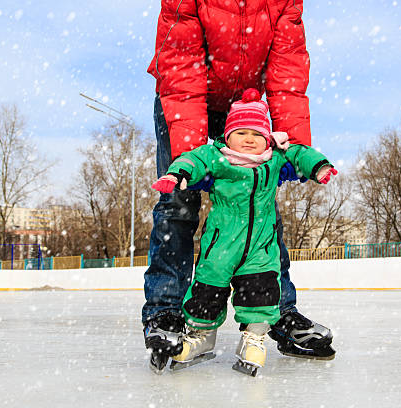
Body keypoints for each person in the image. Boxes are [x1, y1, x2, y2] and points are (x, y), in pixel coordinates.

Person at [142, 0, 336, 373]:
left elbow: (287, 73)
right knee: (176, 205)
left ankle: (278, 312)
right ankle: (165, 313)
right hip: (186, 99)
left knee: (258, 206)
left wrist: (293, 153)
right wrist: (190, 167)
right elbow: (182, 70)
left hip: (246, 112)